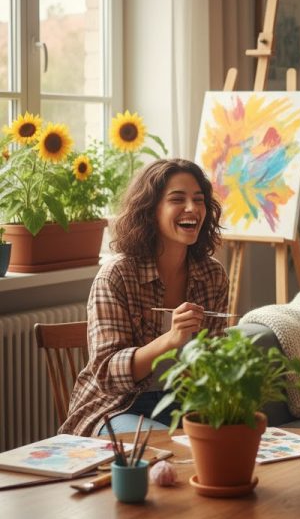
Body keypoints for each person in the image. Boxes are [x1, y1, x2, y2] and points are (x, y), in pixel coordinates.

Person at [61, 158, 229, 437]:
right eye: (178, 199)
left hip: (182, 403)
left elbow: (211, 363)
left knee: (233, 439)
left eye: (199, 200)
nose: (192, 208)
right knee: (167, 448)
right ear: (151, 211)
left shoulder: (212, 275)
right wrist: (170, 340)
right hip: (116, 407)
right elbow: (107, 374)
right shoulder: (116, 276)